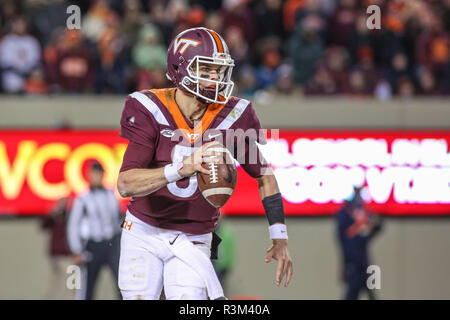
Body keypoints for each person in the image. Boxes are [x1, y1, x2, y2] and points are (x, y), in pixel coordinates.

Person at [117, 27, 293, 300]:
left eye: (219, 70)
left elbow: (265, 176)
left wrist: (279, 238)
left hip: (195, 236)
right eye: (206, 69)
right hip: (144, 232)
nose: (216, 77)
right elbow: (126, 183)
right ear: (180, 68)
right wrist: (181, 169)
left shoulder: (232, 116)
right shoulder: (149, 108)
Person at [67, 161, 123, 300]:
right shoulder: (83, 199)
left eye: (99, 174)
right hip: (93, 245)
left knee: (121, 282)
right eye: (94, 174)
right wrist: (77, 250)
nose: (96, 177)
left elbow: (118, 218)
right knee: (88, 285)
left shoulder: (111, 194)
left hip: (112, 244)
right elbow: (74, 225)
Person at [336, 186, 383, 300]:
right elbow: (343, 243)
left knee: (371, 292)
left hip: (366, 265)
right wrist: (344, 266)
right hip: (353, 265)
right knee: (352, 294)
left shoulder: (363, 213)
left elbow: (377, 227)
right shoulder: (344, 216)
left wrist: (372, 224)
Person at [40, 197, 74, 300]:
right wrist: (53, 213)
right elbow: (43, 225)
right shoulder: (55, 217)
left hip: (67, 257)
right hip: (53, 256)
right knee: (50, 286)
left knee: (69, 286)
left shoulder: (71, 217)